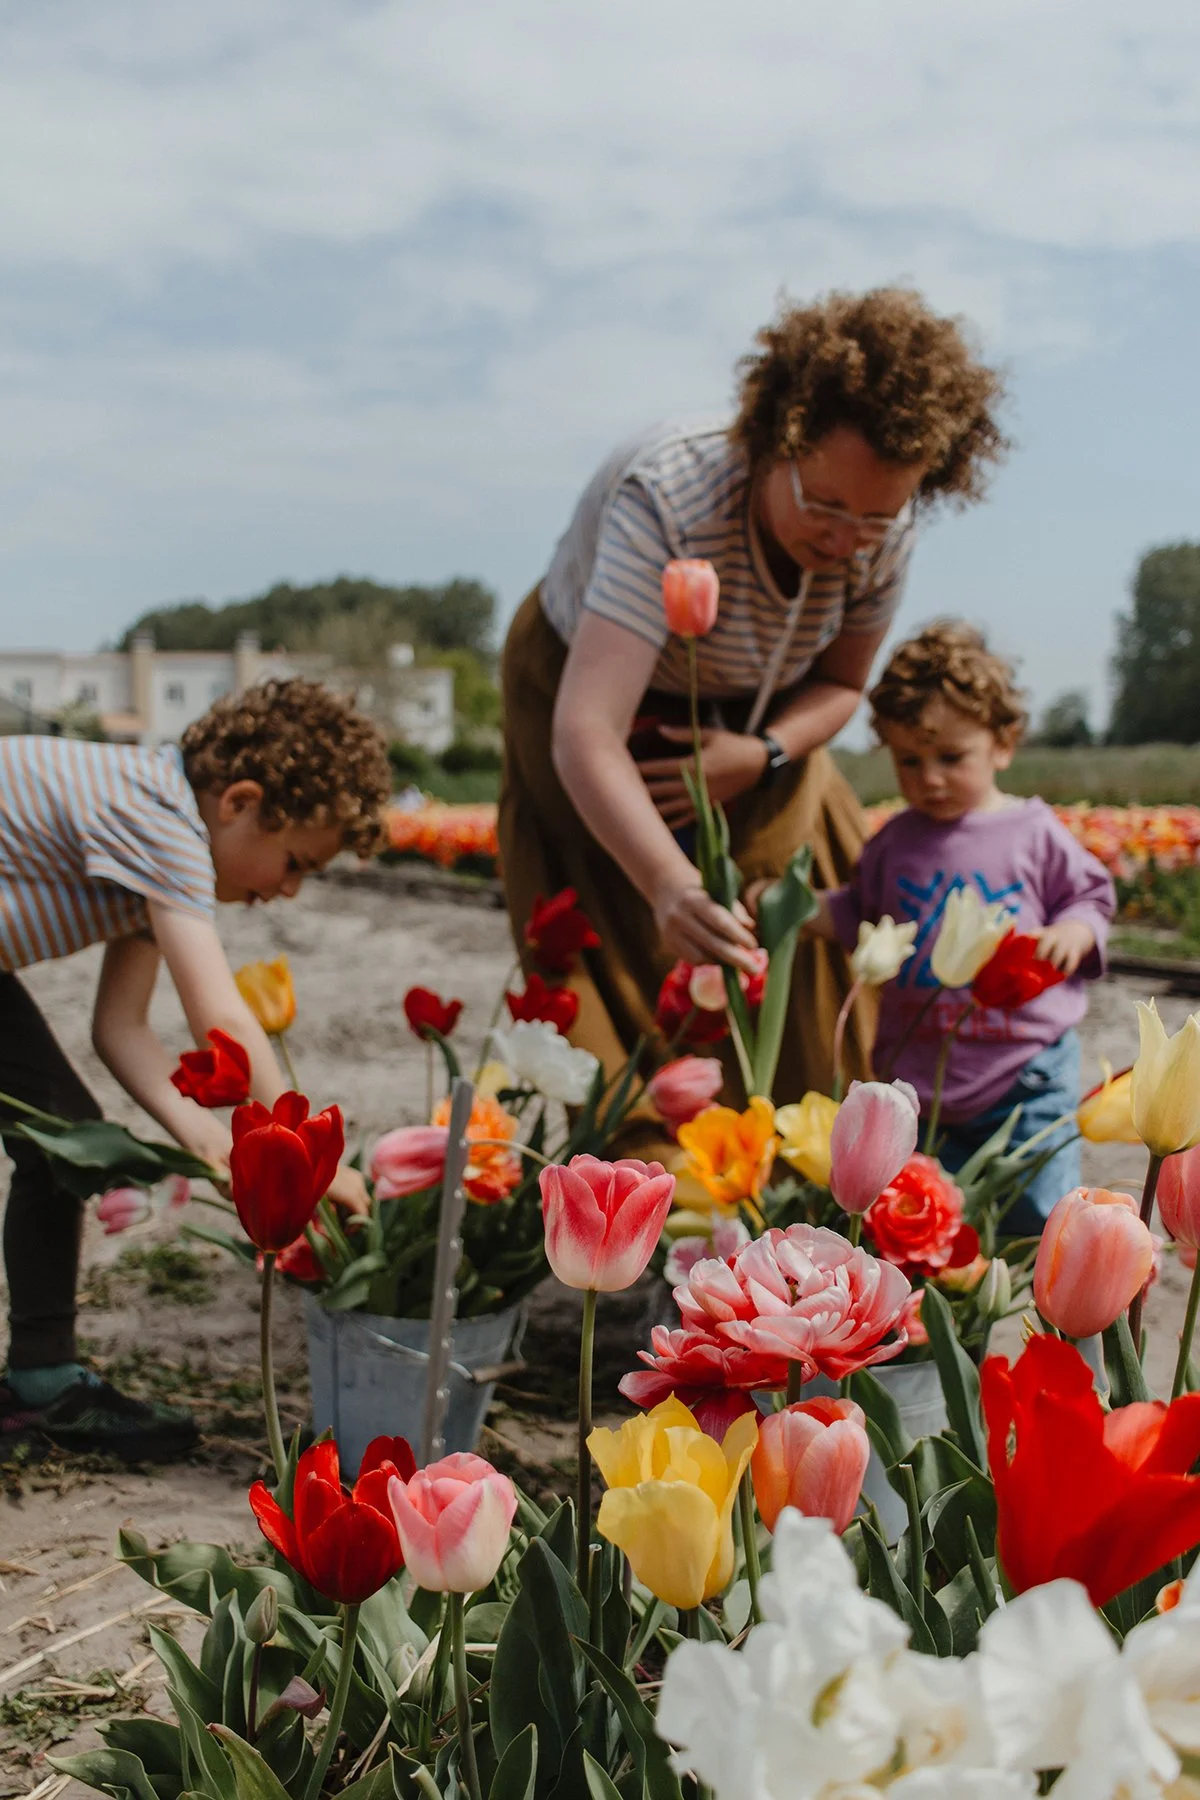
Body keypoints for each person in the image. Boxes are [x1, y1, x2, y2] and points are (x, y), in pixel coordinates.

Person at [499, 288, 1009, 1123]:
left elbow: (842, 685)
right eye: (824, 505)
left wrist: (765, 752)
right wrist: (666, 884)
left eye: (873, 519)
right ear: (777, 441)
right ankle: (650, 1172)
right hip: (593, 692)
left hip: (762, 718)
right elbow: (585, 732)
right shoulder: (671, 494)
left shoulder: (886, 530)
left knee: (785, 905)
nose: (845, 539)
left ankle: (793, 1150)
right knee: (625, 921)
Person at [0, 678, 392, 1460]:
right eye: (293, 863)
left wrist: (217, 1151)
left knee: (63, 1139)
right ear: (239, 801)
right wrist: (308, 1158)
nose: (286, 890)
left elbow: (122, 1030)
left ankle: (41, 1383)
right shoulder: (161, 819)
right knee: (61, 1139)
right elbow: (221, 1018)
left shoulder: (151, 852)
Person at [814, 622, 1115, 1235]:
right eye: (909, 760)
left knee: (1042, 1222)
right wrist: (800, 911)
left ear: (1002, 744)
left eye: (951, 758)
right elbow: (861, 913)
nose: (929, 778)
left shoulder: (1032, 832)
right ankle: (966, 1330)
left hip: (1024, 1074)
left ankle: (1063, 1324)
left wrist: (1074, 932)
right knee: (935, 1227)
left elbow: (1091, 894)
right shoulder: (893, 843)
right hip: (921, 1083)